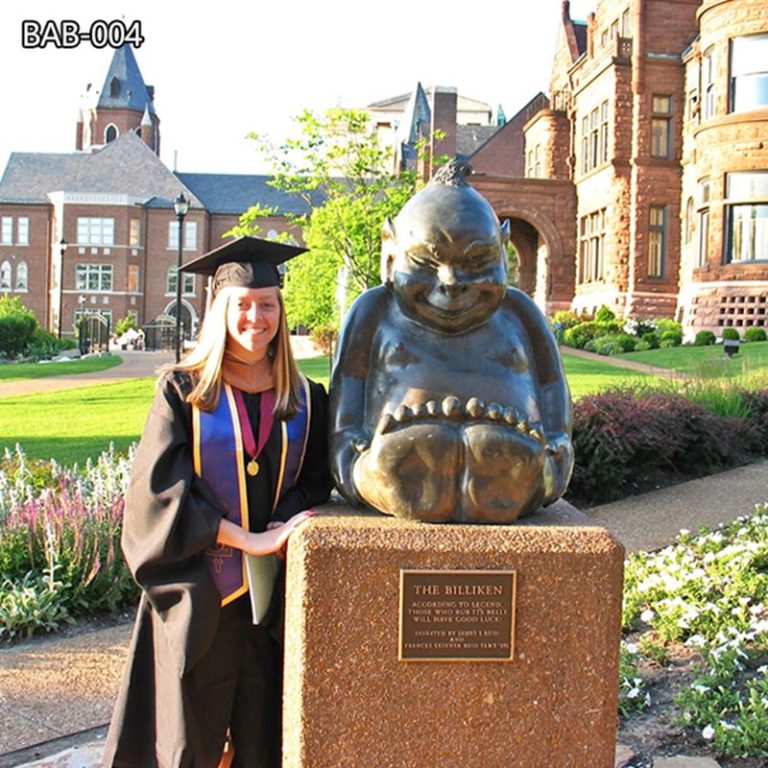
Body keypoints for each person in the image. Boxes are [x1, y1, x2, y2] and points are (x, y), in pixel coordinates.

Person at [103, 237, 333, 768]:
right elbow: (161, 494)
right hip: (197, 599)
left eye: (267, 304)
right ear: (219, 310)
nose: (256, 317)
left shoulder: (305, 398)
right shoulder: (181, 393)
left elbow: (314, 483)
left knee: (265, 742)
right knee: (187, 748)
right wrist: (247, 538)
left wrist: (281, 530)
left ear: (281, 309)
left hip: (268, 607)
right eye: (242, 305)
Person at [330, 160, 573, 523]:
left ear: (503, 250)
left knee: (510, 458)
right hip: (395, 450)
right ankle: (393, 470)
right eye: (426, 262)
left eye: (477, 262)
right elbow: (347, 401)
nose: (450, 281)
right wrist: (353, 458)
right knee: (394, 462)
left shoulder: (520, 315)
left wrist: (556, 449)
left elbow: (552, 388)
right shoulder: (374, 312)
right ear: (391, 252)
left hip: (515, 455)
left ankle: (518, 470)